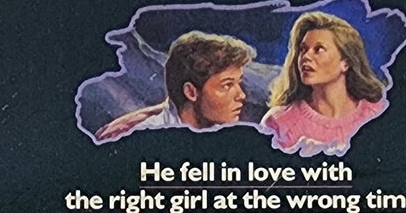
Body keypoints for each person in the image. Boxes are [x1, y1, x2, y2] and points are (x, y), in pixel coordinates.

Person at [260, 12, 387, 156]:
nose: (306, 56)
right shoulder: (279, 122)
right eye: (303, 49)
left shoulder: (377, 113)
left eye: (318, 49)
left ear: (345, 63)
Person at [94, 31, 253, 141]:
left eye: (238, 82)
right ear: (191, 92)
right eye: (227, 85)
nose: (241, 95)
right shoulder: (144, 137)